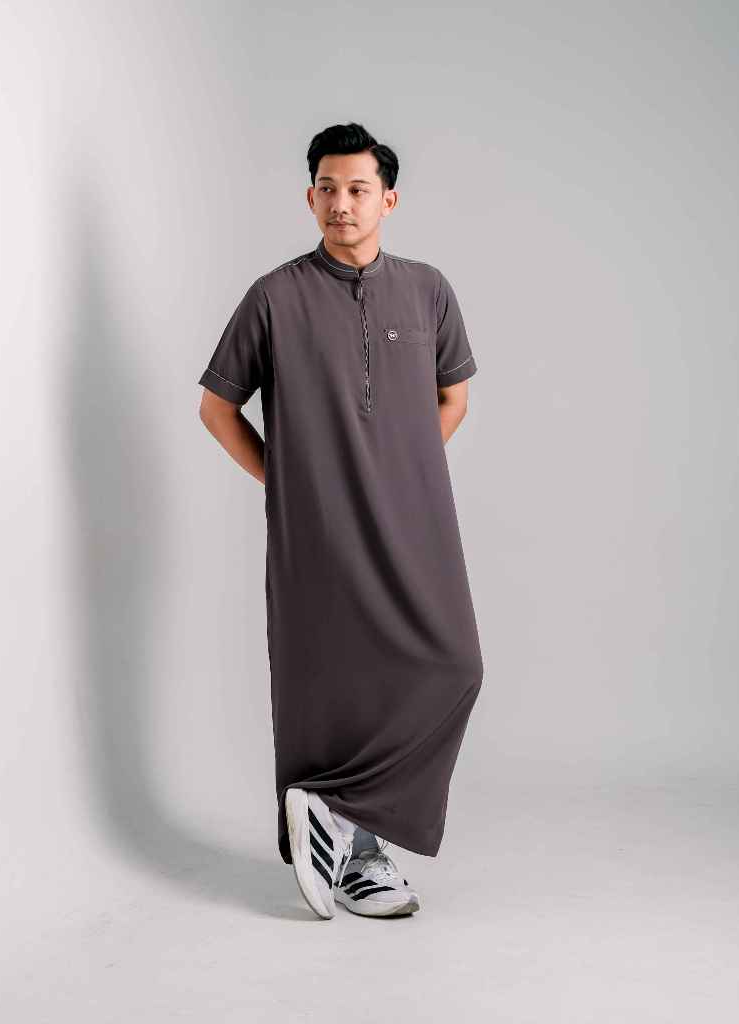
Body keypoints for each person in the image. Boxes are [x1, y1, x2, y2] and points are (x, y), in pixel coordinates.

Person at [198, 123, 483, 920]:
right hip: (315, 530)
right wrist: (288, 481)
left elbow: (454, 397)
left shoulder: (427, 290)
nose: (341, 203)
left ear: (389, 199)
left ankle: (331, 805)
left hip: (414, 521)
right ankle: (358, 856)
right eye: (327, 188)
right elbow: (217, 408)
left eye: (358, 189)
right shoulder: (274, 297)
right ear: (310, 197)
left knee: (454, 666)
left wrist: (397, 472)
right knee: (331, 684)